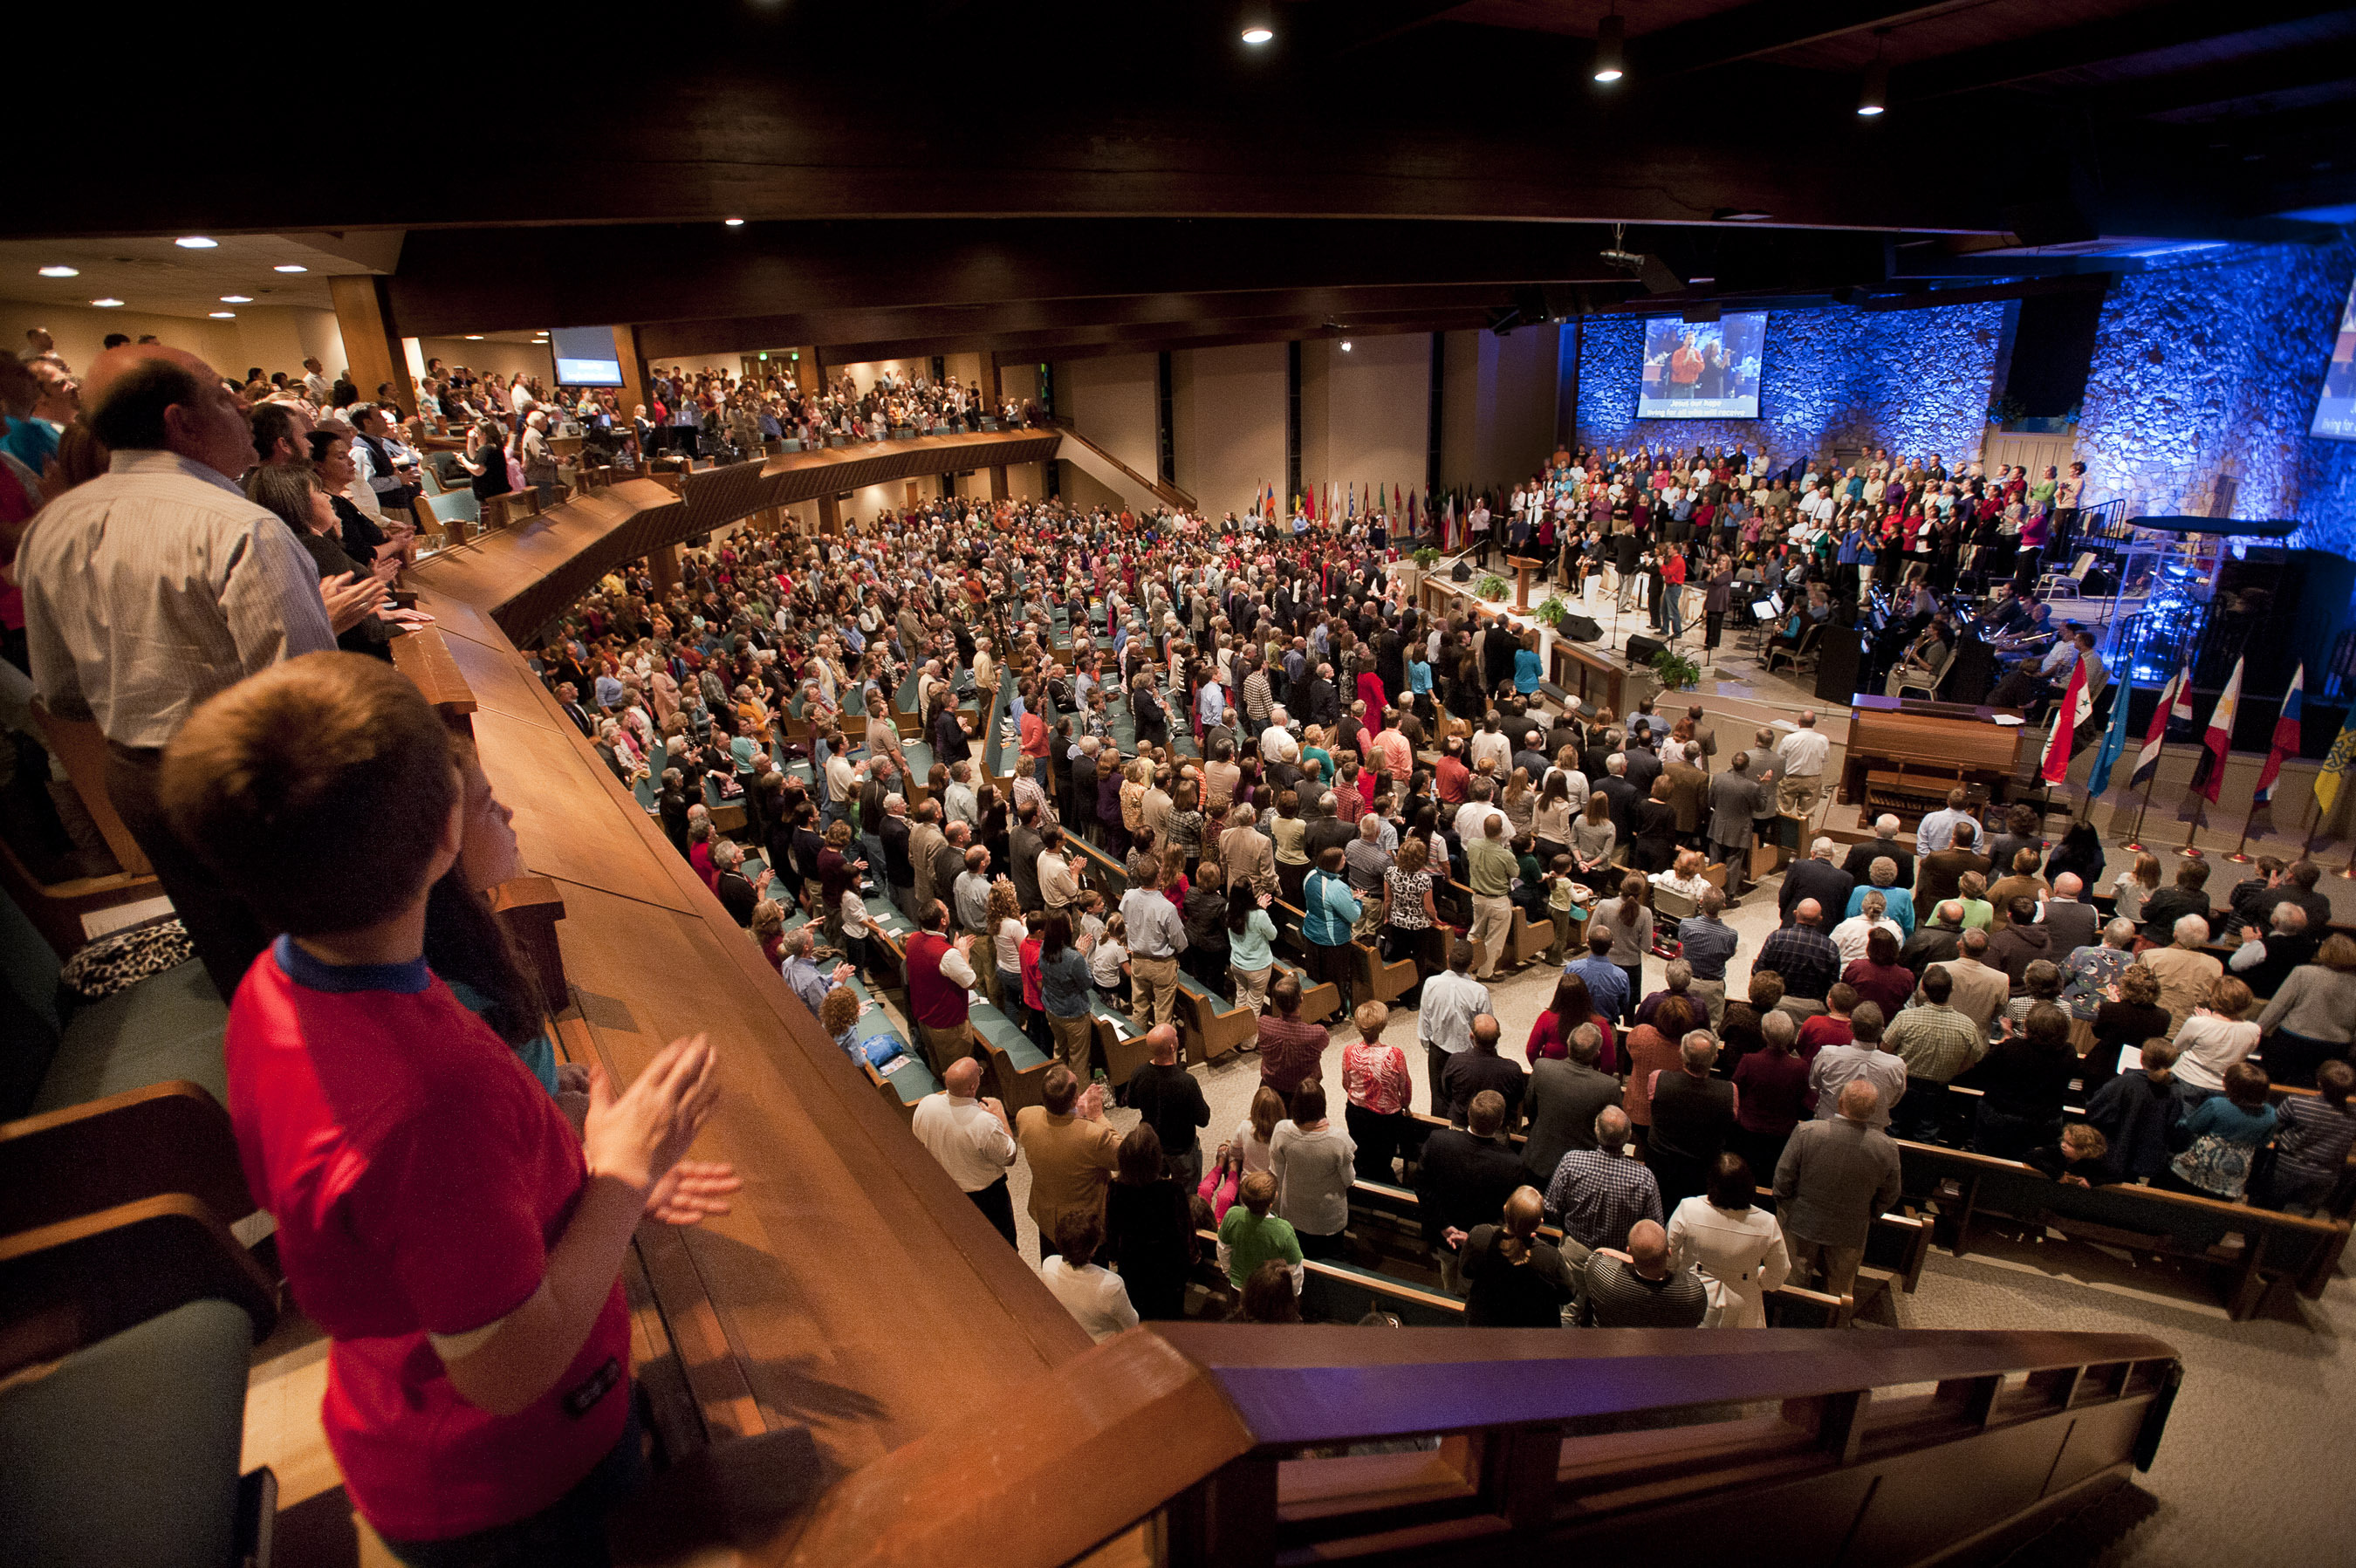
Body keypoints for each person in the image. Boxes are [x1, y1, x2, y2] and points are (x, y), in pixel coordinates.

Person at [161, 653, 724, 1562]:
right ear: (442, 841)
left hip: (411, 1413)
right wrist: (624, 1169)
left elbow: (409, 1219)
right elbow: (507, 1369)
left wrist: (560, 1139)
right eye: (486, 798)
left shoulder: (277, 982)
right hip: (513, 1478)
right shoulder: (428, 1098)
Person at [23, 346, 353, 999]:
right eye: (224, 395)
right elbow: (310, 697)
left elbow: (61, 692)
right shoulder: (242, 528)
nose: (241, 409)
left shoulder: (53, 527)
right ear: (182, 420)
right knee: (325, 959)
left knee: (238, 966)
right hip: (251, 777)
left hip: (135, 778)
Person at [1774, 1080, 1901, 1298]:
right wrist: (1870, 1213)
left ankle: (1787, 1328)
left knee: (1793, 1286)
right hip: (1851, 1228)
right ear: (1873, 1111)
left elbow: (1783, 1177)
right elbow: (1891, 1193)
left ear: (1840, 1102)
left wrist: (1788, 1205)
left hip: (1802, 1220)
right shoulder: (1886, 1147)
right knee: (1840, 1292)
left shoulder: (1808, 1131)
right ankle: (1834, 1329)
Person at [1414, 1092, 1526, 1293]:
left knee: (1449, 1276)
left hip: (1445, 1236)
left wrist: (1444, 1226)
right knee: (1471, 1288)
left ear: (1468, 1115)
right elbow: (1506, 1213)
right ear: (1500, 1122)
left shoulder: (1438, 1141)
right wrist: (1475, 1238)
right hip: (1481, 1244)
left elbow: (1422, 1186)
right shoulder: (1512, 1164)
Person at [1668, 1153, 1791, 1327]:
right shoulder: (1767, 1223)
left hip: (1692, 1295)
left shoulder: (1689, 1209)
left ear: (1712, 1182)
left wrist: (1678, 1272)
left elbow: (1668, 1254)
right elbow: (1780, 1271)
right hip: (1744, 1301)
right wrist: (1761, 1280)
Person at [1015, 1065, 1122, 1263]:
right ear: (1073, 1099)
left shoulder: (1025, 1116)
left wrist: (1075, 1112)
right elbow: (1122, 1157)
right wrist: (1097, 1116)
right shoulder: (1093, 1136)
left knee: (1053, 1269)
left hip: (1047, 1217)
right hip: (1085, 1227)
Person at [912, 1058, 1021, 1248]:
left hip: (947, 1190)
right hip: (987, 1197)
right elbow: (1009, 1156)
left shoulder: (926, 1104)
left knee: (967, 1243)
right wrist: (1001, 1117)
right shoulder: (984, 1123)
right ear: (972, 1088)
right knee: (1003, 1246)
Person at [1102, 1123, 1197, 1321]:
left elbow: (1111, 1227)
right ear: (1156, 1159)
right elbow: (1184, 1230)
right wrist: (1193, 1256)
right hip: (1168, 1265)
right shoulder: (1172, 1190)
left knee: (1139, 1311)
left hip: (1132, 1261)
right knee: (1170, 1314)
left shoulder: (1116, 1189)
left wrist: (1113, 1254)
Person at [1955, 1003, 2076, 1158]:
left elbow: (1980, 1073)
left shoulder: (2010, 1048)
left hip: (2000, 1115)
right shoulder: (2069, 1053)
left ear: (2030, 1028)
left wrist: (2007, 1036)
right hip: (2044, 1121)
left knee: (1986, 1157)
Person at [1541, 1105, 1661, 1254]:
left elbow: (1551, 1208)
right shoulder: (1644, 1179)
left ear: (1596, 1131)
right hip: (1617, 1261)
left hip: (1573, 1252)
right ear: (1629, 1136)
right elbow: (1653, 1229)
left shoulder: (1572, 1162)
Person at [1452, 1187, 1576, 1328]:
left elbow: (1466, 1271)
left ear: (1505, 1209)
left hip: (1483, 1323)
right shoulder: (1549, 1257)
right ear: (1540, 1222)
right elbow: (1567, 1295)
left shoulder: (1480, 1235)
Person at [1645, 1030, 1737, 1212]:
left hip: (1662, 1165)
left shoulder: (1658, 1078)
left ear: (1681, 1054)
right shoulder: (1730, 1092)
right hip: (1701, 1171)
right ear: (1714, 1058)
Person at [2161, 1062, 2277, 1202]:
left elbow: (2192, 1126)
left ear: (2233, 1087)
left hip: (2197, 1169)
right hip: (2232, 1178)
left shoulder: (2217, 1105)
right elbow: (2263, 1142)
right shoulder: (2270, 1114)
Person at [1522, 1027, 1621, 1187]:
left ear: (1568, 1045)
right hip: (1582, 1175)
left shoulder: (1542, 1068)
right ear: (1597, 1054)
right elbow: (1609, 1132)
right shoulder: (1609, 1087)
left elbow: (1530, 1109)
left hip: (1539, 1161)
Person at [2253, 933, 2356, 1088]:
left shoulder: (2304, 973)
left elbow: (2277, 1007)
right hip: (2335, 1049)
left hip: (2292, 1041)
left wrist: (2255, 1032)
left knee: (2270, 1083)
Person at [1271, 1079, 1357, 1258]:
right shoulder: (1338, 1139)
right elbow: (1349, 1180)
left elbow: (1276, 1177)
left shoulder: (1281, 1131)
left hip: (1294, 1212)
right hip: (1328, 1218)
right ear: (1322, 1106)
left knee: (1300, 1257)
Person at [2264, 1059, 2356, 1215]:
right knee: (2298, 1220)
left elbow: (2272, 1126)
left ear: (2319, 1083)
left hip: (2286, 1167)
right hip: (2324, 1176)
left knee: (2268, 1210)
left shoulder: (2296, 1102)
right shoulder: (2353, 1116)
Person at [2085, 1040, 2184, 1185]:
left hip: (2112, 1155)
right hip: (2145, 1161)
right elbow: (2173, 1127)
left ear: (2141, 1056)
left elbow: (2094, 1112)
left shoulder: (2124, 1083)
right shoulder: (2175, 1091)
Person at [1124, 1024, 1211, 1188]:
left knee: (1156, 1187)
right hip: (1181, 1148)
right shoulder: (1186, 1081)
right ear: (1172, 1047)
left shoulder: (1139, 1073)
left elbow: (1132, 1103)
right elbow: (1203, 1119)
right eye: (1176, 1036)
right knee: (1186, 1191)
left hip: (1152, 1145)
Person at [906, 899, 983, 1077]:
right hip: (949, 1026)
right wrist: (963, 955)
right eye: (947, 910)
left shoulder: (913, 939)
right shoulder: (947, 954)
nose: (949, 912)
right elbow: (971, 982)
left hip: (925, 1019)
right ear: (943, 921)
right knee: (959, 1075)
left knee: (938, 1067)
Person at [1581, 1219, 1708, 1327]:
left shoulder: (1602, 1273)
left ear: (1629, 1252)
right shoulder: (1693, 1292)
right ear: (1669, 1253)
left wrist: (1640, 1257)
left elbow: (1599, 1252)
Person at [1039, 1209, 1139, 1343]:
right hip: (1102, 1349)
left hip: (1066, 1339)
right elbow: (1132, 1325)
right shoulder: (1111, 1285)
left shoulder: (1048, 1265)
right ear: (1093, 1249)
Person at [1418, 940, 1492, 1117]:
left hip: (1438, 1050)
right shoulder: (1479, 991)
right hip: (1467, 1053)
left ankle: (1439, 1138)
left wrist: (1430, 1047)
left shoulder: (1431, 983)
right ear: (1472, 964)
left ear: (1448, 958)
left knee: (1438, 1097)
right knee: (1465, 1100)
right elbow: (1486, 1027)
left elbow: (1424, 1020)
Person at [1120, 853, 1190, 1032]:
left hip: (1138, 961)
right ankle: (1163, 1055)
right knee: (1163, 1013)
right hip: (1162, 965)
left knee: (1140, 1008)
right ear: (1158, 877)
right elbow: (1179, 941)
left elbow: (1125, 920)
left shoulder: (1128, 896)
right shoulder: (1167, 907)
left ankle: (1139, 1050)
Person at [2168, 976, 2260, 1105]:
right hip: (2222, 1087)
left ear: (2216, 997)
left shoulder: (2198, 1023)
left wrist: (2205, 1021)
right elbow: (2244, 1053)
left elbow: (2176, 1047)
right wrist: (2208, 1021)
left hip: (2187, 1080)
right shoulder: (2254, 1029)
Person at [1216, 1170, 1305, 1294]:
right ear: (1274, 1198)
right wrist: (1294, 1293)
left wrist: (1228, 1272)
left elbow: (1223, 1248)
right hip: (1268, 1292)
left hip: (1238, 1286)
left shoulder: (1232, 1215)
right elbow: (1295, 1269)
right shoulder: (1284, 1230)